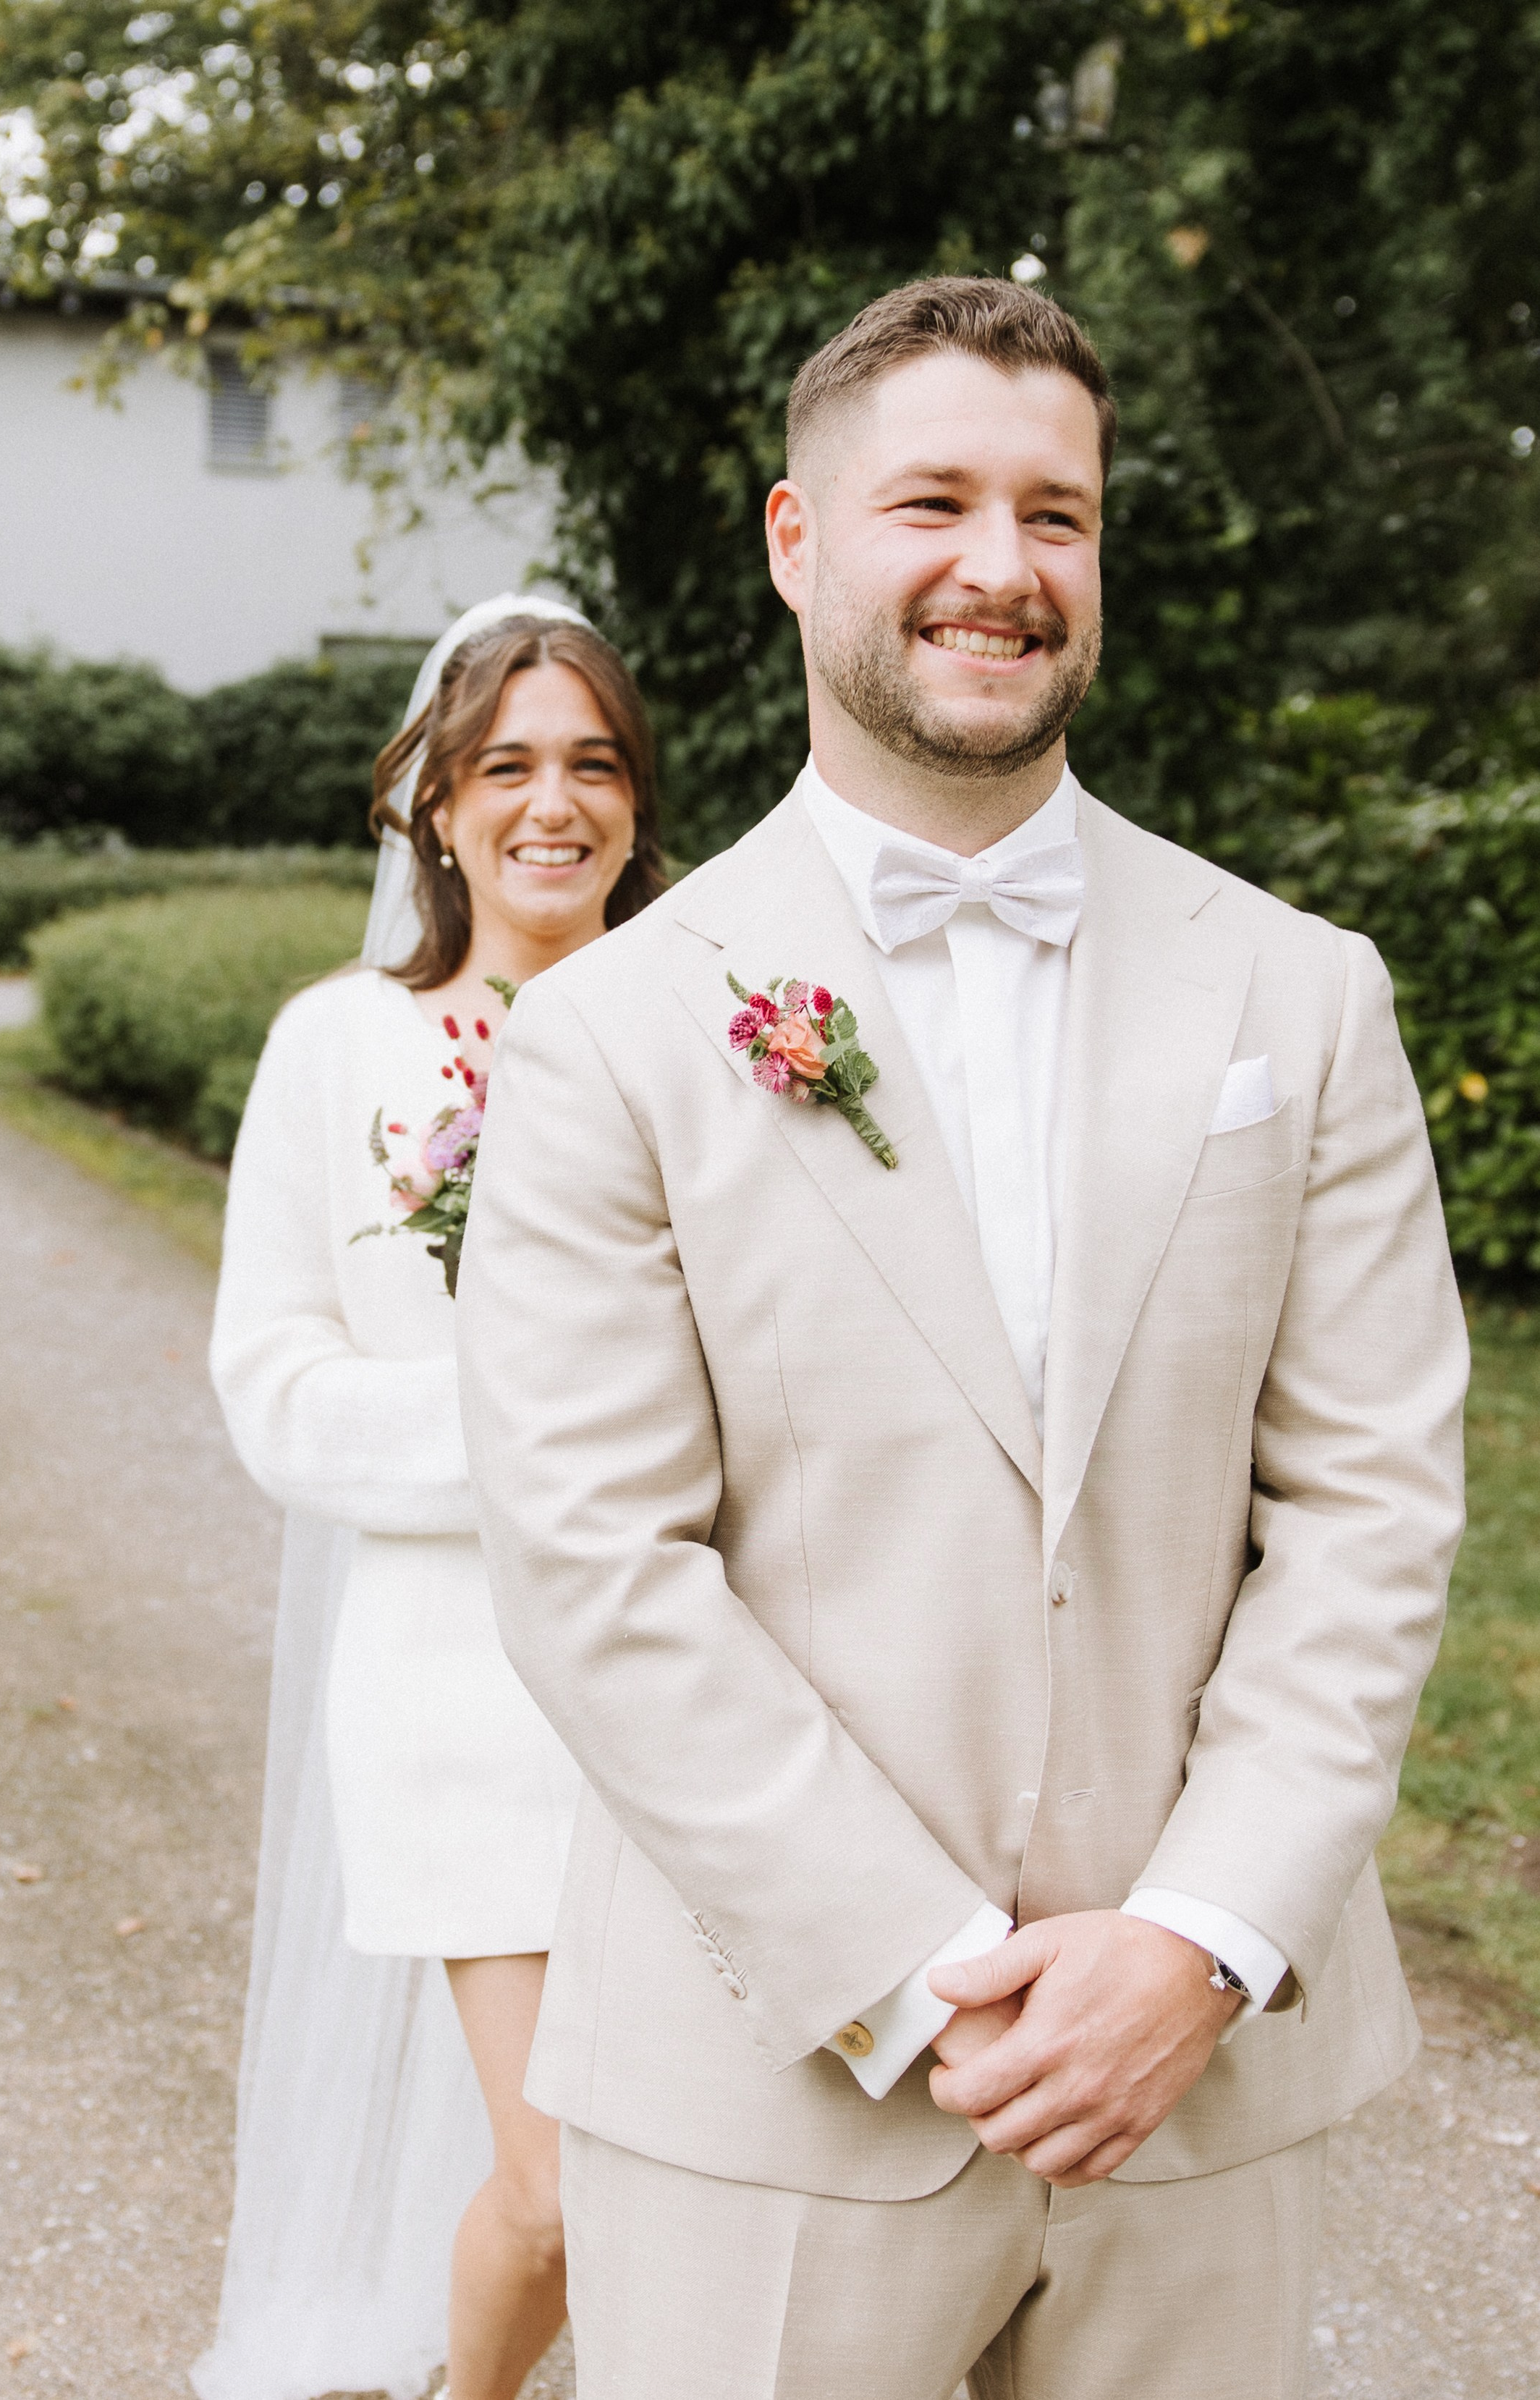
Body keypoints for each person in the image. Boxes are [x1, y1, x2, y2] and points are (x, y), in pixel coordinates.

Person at [457, 281, 1469, 2399]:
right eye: (932, 500)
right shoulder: (613, 1035)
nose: (1000, 569)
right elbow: (596, 1568)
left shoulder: (1301, 995)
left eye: (1057, 514)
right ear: (793, 539)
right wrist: (931, 1984)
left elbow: (1371, 1502)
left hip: (1192, 2093)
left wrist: (1195, 1937)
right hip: (769, 2093)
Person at [195, 593, 664, 2400]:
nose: (555, 803)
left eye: (595, 764)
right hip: (459, 1697)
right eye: (509, 766)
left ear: (634, 801)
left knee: (708, 2193)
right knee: (556, 2194)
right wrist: (538, 1432)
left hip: (714, 1689)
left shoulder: (737, 1025)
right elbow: (279, 1390)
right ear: (437, 805)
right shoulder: (341, 1047)